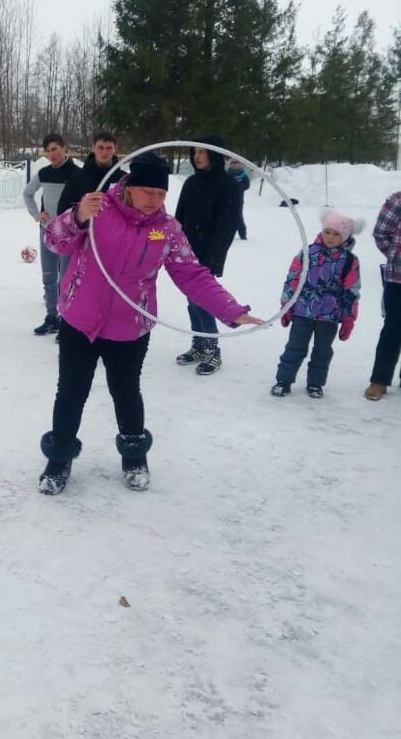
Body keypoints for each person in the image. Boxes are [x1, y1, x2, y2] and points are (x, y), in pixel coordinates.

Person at [37, 155, 261, 495]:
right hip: (79, 321)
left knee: (126, 393)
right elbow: (54, 241)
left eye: (161, 194)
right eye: (147, 192)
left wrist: (230, 310)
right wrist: (79, 215)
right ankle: (59, 458)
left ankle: (134, 455)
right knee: (70, 392)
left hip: (130, 327)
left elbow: (191, 273)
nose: (154, 201)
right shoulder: (97, 208)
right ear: (128, 187)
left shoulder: (167, 229)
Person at [270, 210, 362, 399]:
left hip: (330, 315)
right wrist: (286, 304)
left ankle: (315, 383)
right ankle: (283, 380)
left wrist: (348, 318)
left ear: (345, 237)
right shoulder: (307, 253)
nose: (330, 237)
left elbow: (352, 291)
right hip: (303, 310)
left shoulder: (349, 261)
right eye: (328, 231)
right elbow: (293, 278)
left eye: (337, 234)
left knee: (322, 350)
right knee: (295, 347)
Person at [174, 134, 242, 375]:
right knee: (192, 302)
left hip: (208, 255)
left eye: (202, 152)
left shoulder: (229, 186)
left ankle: (211, 348)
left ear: (214, 154)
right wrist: (173, 248)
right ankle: (200, 344)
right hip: (185, 254)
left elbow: (228, 226)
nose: (197, 156)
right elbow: (179, 219)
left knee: (202, 301)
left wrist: (212, 259)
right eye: (195, 152)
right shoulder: (191, 183)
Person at [23, 133, 81, 335]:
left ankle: (66, 321)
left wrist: (77, 221)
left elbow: (87, 201)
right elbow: (27, 193)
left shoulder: (77, 173)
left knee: (65, 278)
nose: (51, 154)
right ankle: (52, 317)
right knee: (48, 276)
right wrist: (36, 215)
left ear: (64, 148)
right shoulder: (44, 173)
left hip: (69, 234)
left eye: (54, 149)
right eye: (47, 151)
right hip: (47, 232)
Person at [365, 191, 401, 400]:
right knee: (393, 328)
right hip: (398, 279)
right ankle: (379, 380)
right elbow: (381, 233)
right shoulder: (397, 201)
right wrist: (395, 256)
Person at [56, 131, 127, 215]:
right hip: (88, 227)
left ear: (115, 149)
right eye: (100, 147)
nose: (104, 152)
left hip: (117, 227)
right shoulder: (77, 178)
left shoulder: (123, 179)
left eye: (109, 148)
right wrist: (81, 212)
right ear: (93, 148)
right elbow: (62, 212)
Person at [226, 157, 250, 239]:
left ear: (239, 164)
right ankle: (227, 233)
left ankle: (242, 234)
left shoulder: (243, 174)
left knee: (238, 216)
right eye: (233, 163)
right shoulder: (227, 174)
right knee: (227, 216)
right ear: (230, 164)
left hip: (238, 199)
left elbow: (247, 185)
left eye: (236, 163)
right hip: (227, 199)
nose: (235, 164)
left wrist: (238, 187)